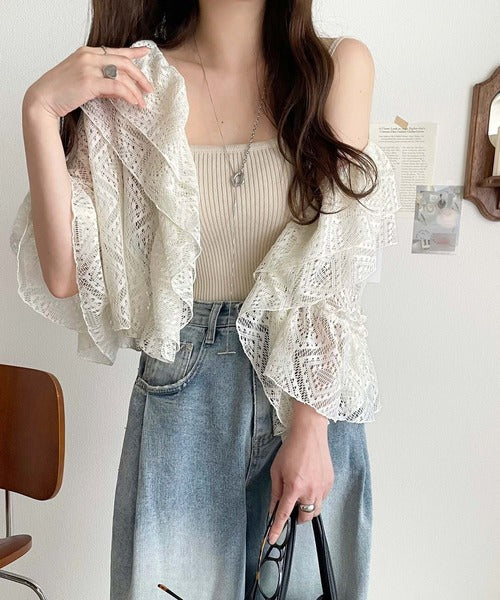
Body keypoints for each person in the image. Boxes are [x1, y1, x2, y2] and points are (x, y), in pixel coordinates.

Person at [10, 1, 400, 599]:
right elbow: (65, 275)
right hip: (181, 396)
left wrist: (311, 424)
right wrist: (39, 110)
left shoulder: (336, 68)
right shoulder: (134, 81)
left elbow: (332, 268)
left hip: (308, 389)